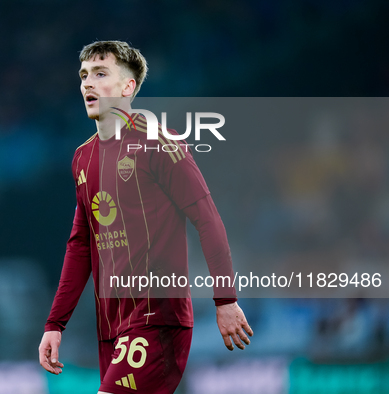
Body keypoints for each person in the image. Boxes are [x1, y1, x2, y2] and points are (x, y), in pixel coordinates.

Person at [38, 40, 253, 394]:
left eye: (100, 74)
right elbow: (81, 246)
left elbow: (207, 219)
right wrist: (55, 324)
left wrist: (225, 299)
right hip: (111, 328)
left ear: (128, 87)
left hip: (158, 320)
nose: (87, 84)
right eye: (84, 75)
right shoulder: (82, 158)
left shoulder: (160, 144)